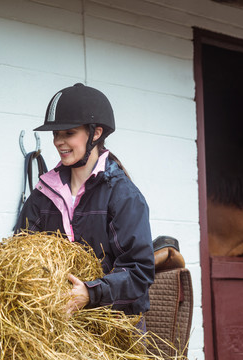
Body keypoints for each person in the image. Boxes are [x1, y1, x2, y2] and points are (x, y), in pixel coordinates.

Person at [14, 83, 155, 321]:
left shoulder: (123, 195)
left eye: (68, 133)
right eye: (56, 134)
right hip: (56, 323)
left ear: (96, 133)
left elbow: (138, 273)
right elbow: (19, 254)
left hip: (112, 325)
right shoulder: (41, 195)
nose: (59, 142)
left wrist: (90, 293)